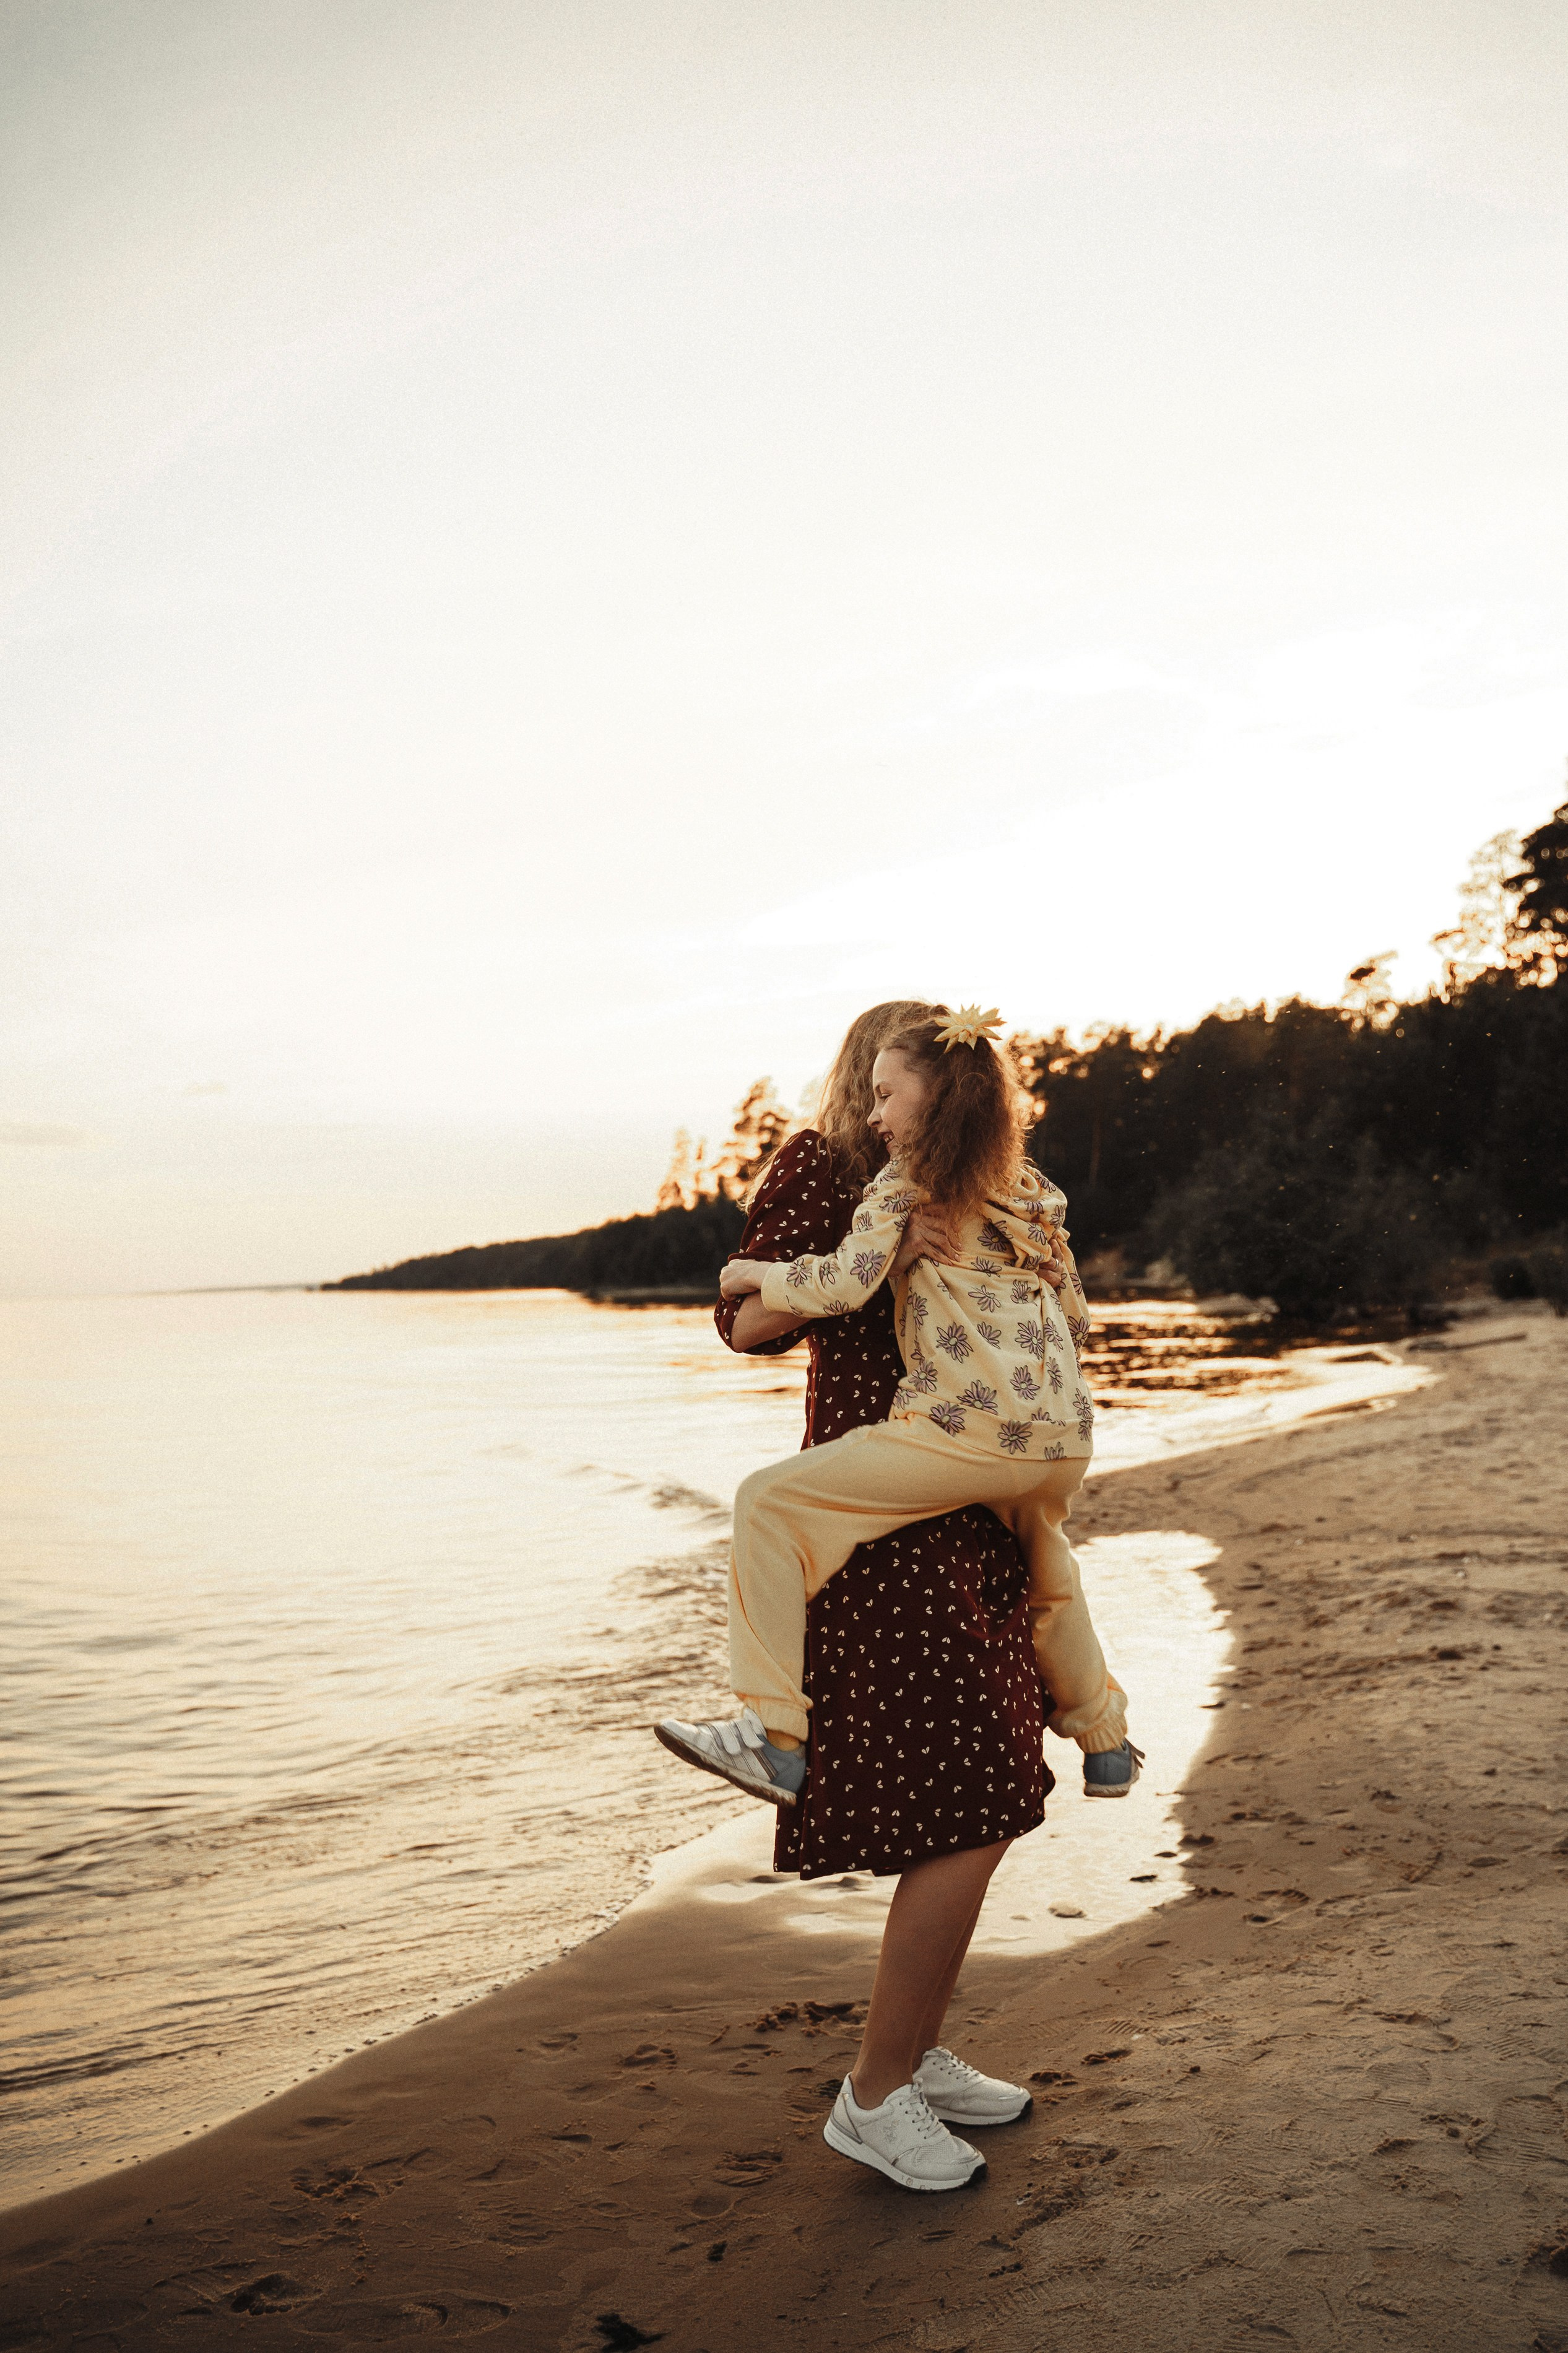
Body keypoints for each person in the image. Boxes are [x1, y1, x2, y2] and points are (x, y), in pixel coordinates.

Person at [652, 1001, 1128, 2192]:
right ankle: (873, 2092)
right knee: (971, 1789)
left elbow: (1057, 1305)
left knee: (987, 1784)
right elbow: (745, 1321)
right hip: (884, 1509)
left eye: (897, 1079)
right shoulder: (831, 1162)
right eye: (870, 1074)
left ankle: (904, 2061)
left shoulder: (994, 1174)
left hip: (970, 1488)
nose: (879, 1098)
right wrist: (874, 1266)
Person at [659, 1004, 1137, 1824]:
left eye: (886, 1097)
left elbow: (839, 1285)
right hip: (1060, 1436)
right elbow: (1077, 1313)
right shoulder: (1032, 1192)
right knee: (1050, 1575)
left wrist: (747, 1276)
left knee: (767, 1505)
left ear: (939, 1099)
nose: (873, 1117)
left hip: (964, 1431)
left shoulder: (902, 1185)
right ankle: (1105, 1745)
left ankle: (773, 1734)